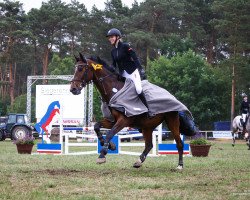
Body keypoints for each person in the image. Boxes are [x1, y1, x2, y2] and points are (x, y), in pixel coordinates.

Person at [106, 28, 151, 116]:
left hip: (132, 72)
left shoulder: (125, 46)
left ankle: (148, 110)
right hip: (123, 74)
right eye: (109, 37)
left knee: (138, 89)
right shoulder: (113, 51)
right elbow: (114, 65)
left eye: (111, 37)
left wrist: (141, 69)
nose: (110, 39)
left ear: (117, 37)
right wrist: (109, 70)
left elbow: (135, 58)